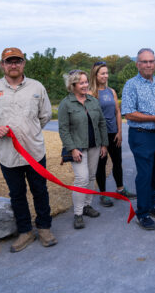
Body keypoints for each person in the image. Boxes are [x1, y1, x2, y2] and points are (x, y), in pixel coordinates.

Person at [0, 47, 57, 252]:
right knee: (17, 194)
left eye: (17, 61)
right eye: (9, 61)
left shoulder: (37, 87)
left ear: (23, 63)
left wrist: (30, 131)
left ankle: (45, 228)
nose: (13, 65)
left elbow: (45, 115)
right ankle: (25, 232)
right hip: (7, 155)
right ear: (2, 65)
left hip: (34, 152)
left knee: (40, 191)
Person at [121, 48, 155, 230]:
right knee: (144, 174)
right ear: (138, 64)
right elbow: (128, 113)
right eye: (144, 61)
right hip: (141, 135)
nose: (149, 64)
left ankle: (151, 204)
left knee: (153, 172)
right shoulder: (131, 85)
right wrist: (154, 118)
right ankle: (142, 213)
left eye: (151, 61)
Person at [58, 70, 109, 229]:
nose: (85, 85)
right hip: (78, 148)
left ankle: (87, 206)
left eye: (86, 82)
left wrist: (104, 144)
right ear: (73, 85)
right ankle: (78, 213)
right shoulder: (66, 104)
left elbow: (101, 123)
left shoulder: (93, 101)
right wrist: (72, 149)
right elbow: (63, 129)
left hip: (95, 145)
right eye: (81, 83)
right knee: (82, 179)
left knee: (92, 177)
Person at [89, 61, 136, 208]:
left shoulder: (112, 91)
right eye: (102, 73)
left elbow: (117, 111)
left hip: (114, 133)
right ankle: (103, 194)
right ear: (95, 75)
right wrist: (101, 140)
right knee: (101, 166)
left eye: (106, 73)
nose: (105, 76)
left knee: (117, 162)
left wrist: (120, 132)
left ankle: (120, 189)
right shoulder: (91, 93)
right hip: (100, 136)